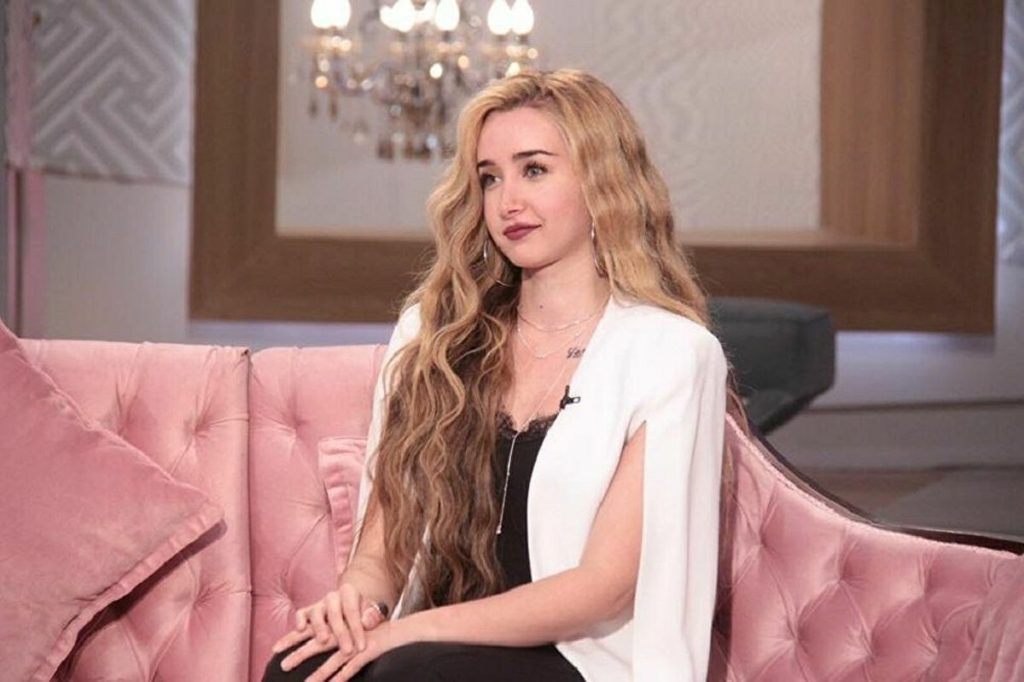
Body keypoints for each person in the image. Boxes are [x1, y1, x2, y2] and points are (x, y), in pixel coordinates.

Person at [263, 68, 750, 682]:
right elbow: (384, 550)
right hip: (431, 649)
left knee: (414, 675)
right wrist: (356, 606)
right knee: (299, 667)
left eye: (534, 170)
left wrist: (408, 632)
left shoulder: (672, 352)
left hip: (579, 657)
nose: (507, 201)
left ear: (602, 181)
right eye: (490, 177)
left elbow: (603, 587)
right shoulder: (434, 333)